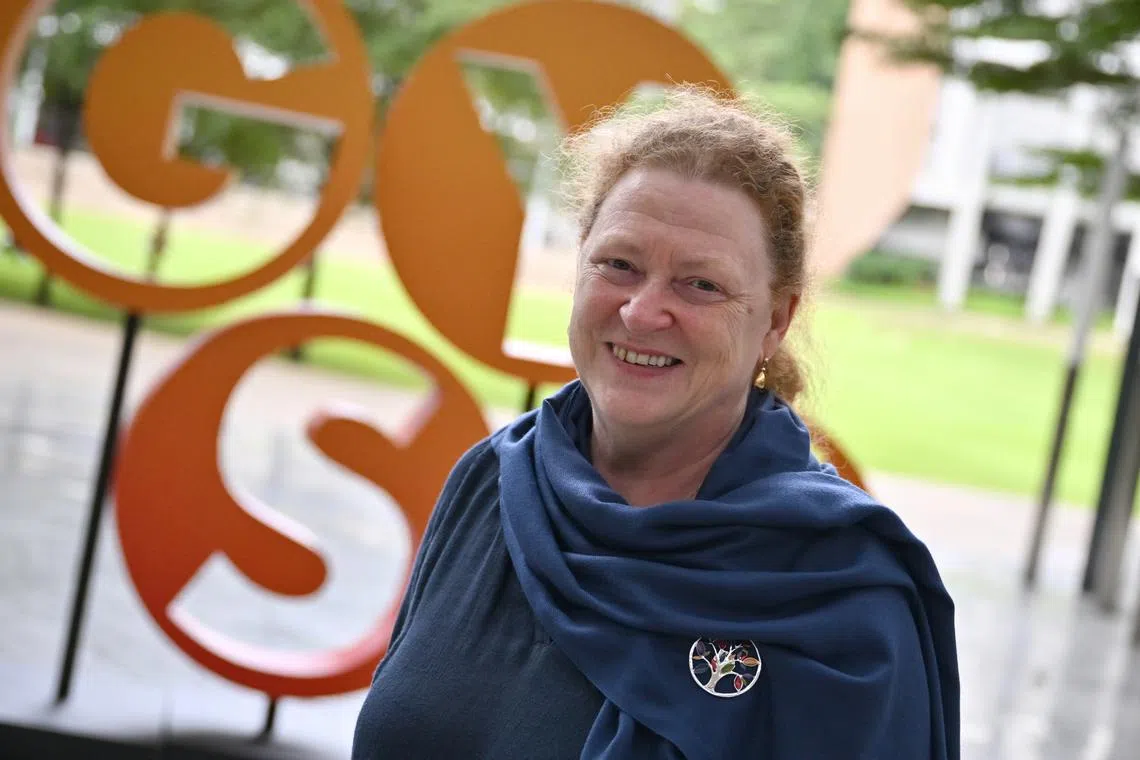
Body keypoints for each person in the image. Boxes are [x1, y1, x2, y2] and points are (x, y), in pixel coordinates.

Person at [352, 86, 959, 760]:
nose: (642, 312)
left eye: (700, 284)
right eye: (619, 264)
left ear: (775, 322)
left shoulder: (839, 584)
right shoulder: (494, 482)